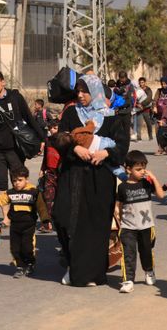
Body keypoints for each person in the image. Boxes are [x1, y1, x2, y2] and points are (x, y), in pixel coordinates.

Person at [53, 75, 129, 287]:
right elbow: (59, 138)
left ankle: (90, 274)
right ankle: (71, 262)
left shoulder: (112, 118)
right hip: (72, 175)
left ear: (95, 92)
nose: (80, 95)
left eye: (84, 91)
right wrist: (74, 147)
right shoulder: (71, 113)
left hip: (99, 178)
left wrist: (105, 153)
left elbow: (122, 147)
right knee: (63, 217)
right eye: (78, 91)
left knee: (94, 226)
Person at [0, 70, 45, 226]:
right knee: (1, 183)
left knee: (19, 181)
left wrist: (43, 139)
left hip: (15, 149)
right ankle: (6, 217)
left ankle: (22, 210)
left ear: (3, 82)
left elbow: (29, 118)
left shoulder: (16, 97)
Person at [0, 165, 51, 278]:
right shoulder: (11, 193)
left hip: (29, 226)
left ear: (27, 179)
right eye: (14, 181)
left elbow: (41, 207)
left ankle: (30, 263)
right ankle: (20, 267)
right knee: (15, 248)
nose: (17, 183)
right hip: (15, 226)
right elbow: (0, 200)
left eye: (20, 180)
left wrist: (45, 220)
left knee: (27, 248)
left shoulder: (34, 192)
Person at [116, 150, 165, 293]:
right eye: (138, 169)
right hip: (128, 227)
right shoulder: (122, 187)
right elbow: (118, 205)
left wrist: (154, 179)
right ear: (128, 169)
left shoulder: (146, 184)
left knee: (146, 251)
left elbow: (161, 195)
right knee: (128, 253)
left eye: (144, 168)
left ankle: (149, 271)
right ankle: (128, 280)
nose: (142, 171)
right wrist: (117, 217)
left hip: (146, 226)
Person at [51, 120, 128, 182]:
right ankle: (122, 172)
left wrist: (107, 152)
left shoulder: (111, 117)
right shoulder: (75, 130)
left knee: (110, 165)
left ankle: (121, 173)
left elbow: (122, 145)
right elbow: (90, 128)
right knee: (110, 149)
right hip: (78, 176)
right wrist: (75, 148)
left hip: (99, 168)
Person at [152, 77, 167, 155]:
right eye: (162, 84)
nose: (163, 85)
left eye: (165, 84)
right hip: (158, 115)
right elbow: (154, 100)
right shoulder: (159, 91)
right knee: (158, 131)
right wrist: (154, 106)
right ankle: (161, 148)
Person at [113, 71, 135, 136]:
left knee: (126, 130)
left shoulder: (129, 86)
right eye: (120, 78)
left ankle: (126, 144)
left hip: (126, 111)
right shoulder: (117, 86)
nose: (122, 80)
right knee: (117, 130)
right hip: (118, 112)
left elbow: (130, 99)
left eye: (123, 78)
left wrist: (122, 105)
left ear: (126, 78)